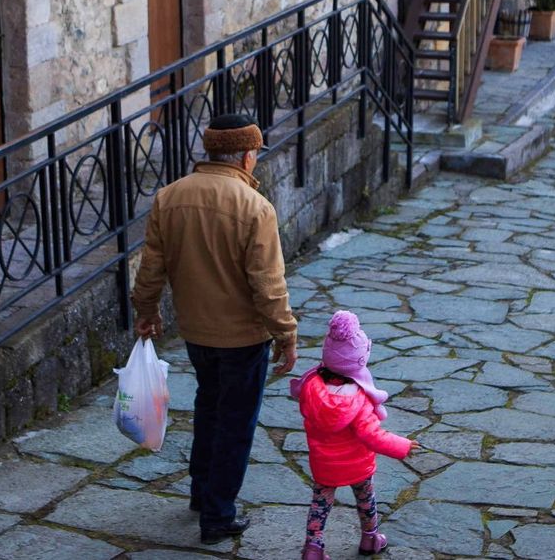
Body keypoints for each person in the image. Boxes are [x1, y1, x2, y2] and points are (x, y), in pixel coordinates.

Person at [131, 113, 299, 545]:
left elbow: (151, 266)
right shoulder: (254, 207)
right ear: (246, 156)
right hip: (243, 337)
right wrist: (286, 334)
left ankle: (201, 492)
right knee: (235, 423)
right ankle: (218, 515)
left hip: (196, 331)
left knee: (209, 407)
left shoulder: (170, 198)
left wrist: (146, 309)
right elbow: (267, 284)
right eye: (255, 155)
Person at [290, 310, 415, 560]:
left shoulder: (311, 386)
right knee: (366, 500)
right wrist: (403, 446)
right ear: (359, 361)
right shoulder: (359, 399)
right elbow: (371, 435)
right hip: (358, 464)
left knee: (320, 505)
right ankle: (370, 538)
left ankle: (313, 549)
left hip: (324, 463)